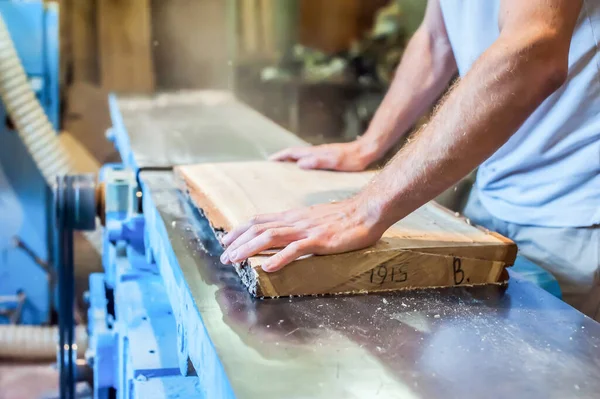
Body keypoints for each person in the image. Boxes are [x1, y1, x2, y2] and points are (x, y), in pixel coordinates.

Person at [221, 0, 600, 320]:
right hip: (495, 189)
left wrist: (364, 210)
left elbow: (533, 50)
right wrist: (369, 145)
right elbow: (437, 39)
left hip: (574, 207)